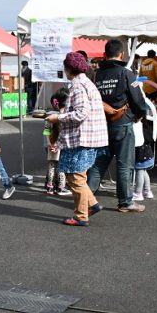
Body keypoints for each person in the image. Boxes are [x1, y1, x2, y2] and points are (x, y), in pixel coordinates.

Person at [86, 40, 149, 213]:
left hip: (102, 124)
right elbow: (138, 99)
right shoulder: (127, 73)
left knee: (98, 164)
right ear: (121, 54)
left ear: (105, 54)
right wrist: (140, 114)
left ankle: (86, 198)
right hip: (123, 124)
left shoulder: (95, 75)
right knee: (124, 164)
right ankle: (125, 202)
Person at [47, 52, 110, 224]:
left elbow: (81, 113)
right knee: (77, 176)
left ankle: (81, 216)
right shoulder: (87, 83)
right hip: (89, 137)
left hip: (82, 138)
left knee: (75, 178)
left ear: (68, 69)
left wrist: (57, 117)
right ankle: (92, 204)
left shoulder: (78, 86)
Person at [43, 88, 71, 197]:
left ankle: (50, 187)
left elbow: (46, 131)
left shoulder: (49, 115)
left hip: (51, 143)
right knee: (62, 167)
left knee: (51, 166)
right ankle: (61, 187)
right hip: (62, 145)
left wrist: (49, 142)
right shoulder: (67, 115)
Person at [132, 115, 156, 203]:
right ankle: (147, 191)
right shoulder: (145, 126)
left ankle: (138, 193)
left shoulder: (137, 126)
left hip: (141, 154)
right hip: (147, 153)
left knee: (139, 171)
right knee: (143, 171)